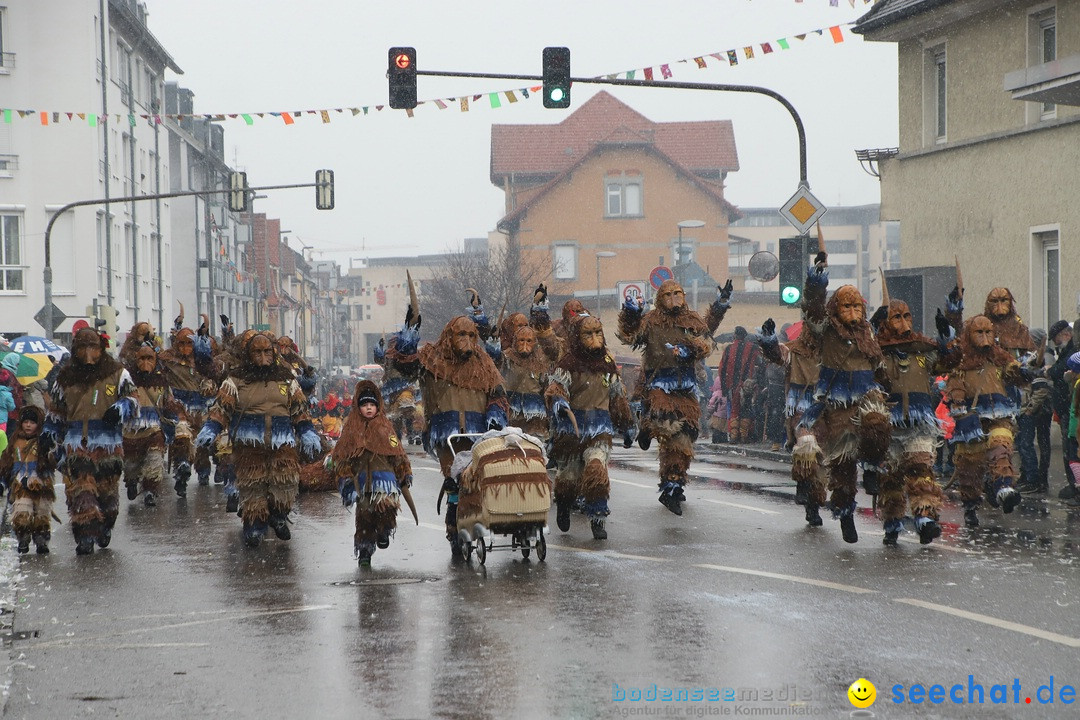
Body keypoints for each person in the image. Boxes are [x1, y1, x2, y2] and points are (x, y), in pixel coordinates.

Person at [390, 310, 508, 557]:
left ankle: (473, 523)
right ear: (449, 336)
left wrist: (495, 418)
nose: (466, 340)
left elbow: (497, 395)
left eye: (470, 334)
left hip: (478, 434)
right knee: (454, 481)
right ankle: (454, 529)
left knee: (475, 482)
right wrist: (410, 331)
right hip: (446, 434)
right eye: (460, 334)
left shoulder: (483, 362)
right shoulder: (433, 358)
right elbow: (405, 363)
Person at [617, 279, 731, 515]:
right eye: (668, 295)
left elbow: (707, 329)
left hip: (686, 385)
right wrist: (630, 313)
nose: (674, 299)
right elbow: (630, 335)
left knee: (686, 436)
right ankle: (647, 424)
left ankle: (673, 483)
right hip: (659, 383)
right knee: (666, 421)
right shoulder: (651, 321)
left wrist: (720, 305)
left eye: (678, 293)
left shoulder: (691, 319)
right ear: (660, 298)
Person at [798, 253, 891, 543]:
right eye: (846, 306)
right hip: (836, 402)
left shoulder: (868, 331)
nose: (853, 311)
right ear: (836, 309)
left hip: (867, 395)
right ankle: (846, 512)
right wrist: (817, 280)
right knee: (843, 464)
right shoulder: (826, 328)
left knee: (877, 424)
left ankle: (873, 469)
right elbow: (812, 309)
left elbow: (878, 363)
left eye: (856, 306)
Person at [196, 332, 321, 547]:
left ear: (273, 353)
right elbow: (221, 409)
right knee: (253, 487)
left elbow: (300, 410)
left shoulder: (287, 379)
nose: (263, 357)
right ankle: (254, 526)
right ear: (248, 354)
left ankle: (279, 515)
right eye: (257, 352)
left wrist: (307, 431)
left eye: (266, 351)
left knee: (286, 481)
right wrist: (210, 428)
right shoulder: (235, 380)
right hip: (248, 445)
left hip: (282, 442)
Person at [42, 327, 139, 555]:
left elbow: (134, 400)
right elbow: (56, 412)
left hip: (108, 445)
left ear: (101, 348)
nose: (88, 354)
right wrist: (48, 433)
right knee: (82, 491)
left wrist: (120, 408)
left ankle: (105, 525)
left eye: (93, 348)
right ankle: (85, 535)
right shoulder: (65, 378)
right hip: (77, 444)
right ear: (75, 349)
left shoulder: (116, 373)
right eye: (83, 348)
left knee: (107, 497)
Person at [869, 299, 951, 545]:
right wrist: (872, 330)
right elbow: (861, 358)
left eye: (907, 316)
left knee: (922, 470)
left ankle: (925, 520)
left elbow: (947, 361)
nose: (904, 323)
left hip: (919, 424)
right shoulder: (878, 353)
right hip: (890, 426)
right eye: (897, 317)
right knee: (891, 480)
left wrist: (946, 334)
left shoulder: (922, 352)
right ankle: (892, 524)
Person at [545, 315, 632, 539]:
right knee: (569, 479)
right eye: (588, 334)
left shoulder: (607, 364)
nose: (594, 338)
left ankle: (597, 517)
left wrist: (627, 423)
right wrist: (560, 402)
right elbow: (556, 389)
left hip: (599, 429)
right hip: (572, 431)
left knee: (596, 469)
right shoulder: (568, 364)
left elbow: (617, 398)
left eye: (598, 333)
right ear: (577, 337)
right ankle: (564, 503)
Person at [945, 315, 1032, 527]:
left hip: (998, 414)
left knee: (1001, 448)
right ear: (970, 335)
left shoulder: (999, 357)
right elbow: (955, 385)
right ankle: (971, 505)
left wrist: (1025, 370)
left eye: (988, 332)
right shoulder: (961, 360)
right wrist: (958, 405)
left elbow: (1015, 374)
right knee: (970, 465)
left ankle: (1004, 490)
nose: (985, 337)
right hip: (971, 419)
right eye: (979, 332)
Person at [331, 380, 415, 567]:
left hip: (384, 479)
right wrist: (346, 479)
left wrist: (404, 472)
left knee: (386, 508)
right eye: (364, 405)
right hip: (361, 481)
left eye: (372, 405)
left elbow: (398, 453)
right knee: (364, 517)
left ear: (377, 407)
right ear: (358, 407)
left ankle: (384, 531)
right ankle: (364, 552)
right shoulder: (351, 430)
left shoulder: (385, 427)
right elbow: (343, 457)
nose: (368, 408)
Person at [759, 317, 825, 526]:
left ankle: (813, 506)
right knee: (807, 446)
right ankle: (803, 484)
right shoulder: (792, 351)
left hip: (828, 409)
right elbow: (776, 354)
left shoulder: (832, 352)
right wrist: (769, 339)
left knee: (823, 463)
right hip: (800, 408)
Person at [158, 317, 218, 495]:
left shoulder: (202, 362)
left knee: (203, 443)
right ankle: (181, 473)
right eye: (181, 344)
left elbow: (216, 371)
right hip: (180, 406)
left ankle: (204, 472)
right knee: (182, 436)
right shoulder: (169, 360)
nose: (185, 348)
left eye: (189, 344)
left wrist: (210, 385)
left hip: (202, 405)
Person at [121, 342, 177, 507]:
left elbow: (169, 404)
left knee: (154, 461)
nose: (146, 363)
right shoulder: (127, 381)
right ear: (136, 360)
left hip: (154, 430)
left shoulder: (162, 381)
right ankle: (131, 482)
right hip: (130, 431)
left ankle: (150, 491)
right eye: (142, 358)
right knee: (131, 465)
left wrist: (172, 421)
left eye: (149, 358)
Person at [0, 406, 55, 554]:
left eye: (32, 422)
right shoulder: (15, 441)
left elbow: (53, 462)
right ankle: (23, 537)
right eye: (26, 422)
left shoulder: (43, 440)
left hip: (41, 485)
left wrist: (49, 450)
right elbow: (6, 464)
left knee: (41, 514)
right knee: (22, 511)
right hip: (20, 485)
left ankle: (41, 540)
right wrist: (2, 482)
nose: (28, 425)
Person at [1016, 328, 1054, 495]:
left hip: (1033, 410)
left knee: (1027, 444)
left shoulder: (1042, 357)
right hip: (1025, 408)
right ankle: (1027, 477)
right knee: (1023, 444)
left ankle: (1033, 480)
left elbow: (1041, 387)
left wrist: (1030, 409)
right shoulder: (1028, 357)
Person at [1046, 319, 1078, 498]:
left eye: (1056, 338)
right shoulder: (1067, 351)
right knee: (1070, 452)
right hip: (1065, 410)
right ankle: (1072, 486)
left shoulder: (1073, 352)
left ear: (1065, 335)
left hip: (1069, 411)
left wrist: (1051, 371)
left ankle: (1075, 487)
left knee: (1071, 452)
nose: (1055, 343)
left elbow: (1060, 370)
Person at [716, 326, 762, 443]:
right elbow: (760, 362)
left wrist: (724, 386)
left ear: (735, 335)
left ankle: (733, 436)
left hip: (732, 385)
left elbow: (722, 369)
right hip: (748, 385)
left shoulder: (728, 349)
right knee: (746, 409)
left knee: (734, 410)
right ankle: (744, 436)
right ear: (745, 336)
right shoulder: (752, 348)